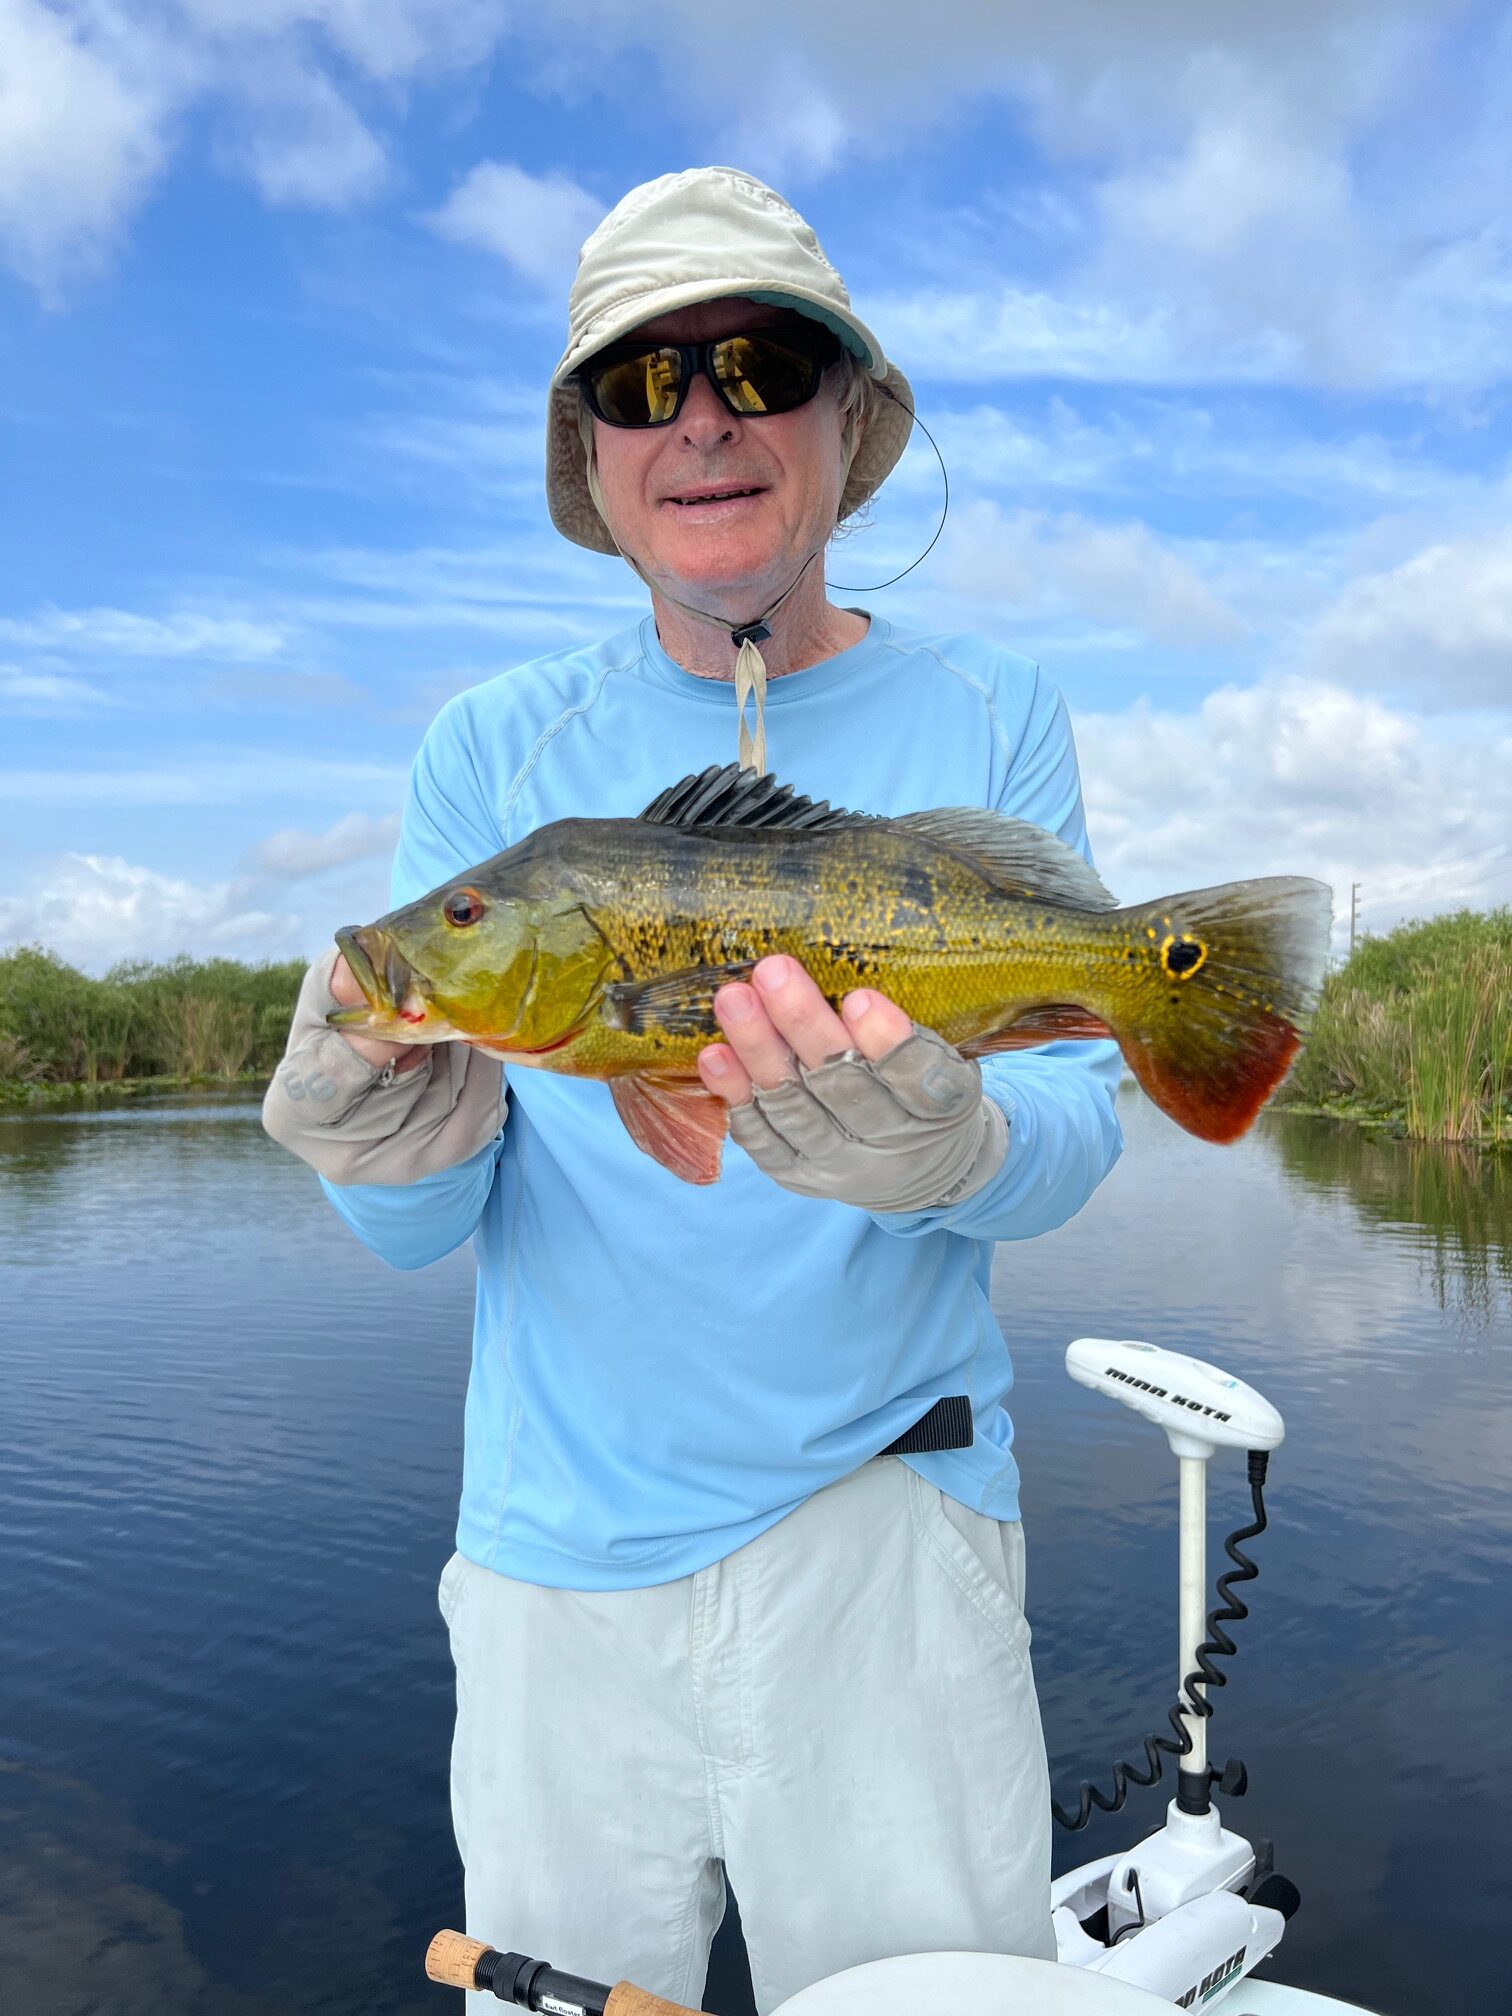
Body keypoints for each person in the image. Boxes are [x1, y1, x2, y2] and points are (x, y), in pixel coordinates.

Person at [263, 166, 1123, 2013]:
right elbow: (419, 1231)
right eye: (646, 385)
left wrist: (953, 1149)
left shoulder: (995, 715)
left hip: (898, 1540)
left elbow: (1074, 1133)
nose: (708, 417)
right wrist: (382, 1132)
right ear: (592, 454)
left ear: (847, 414)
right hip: (557, 1571)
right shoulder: (493, 753)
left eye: (761, 362)